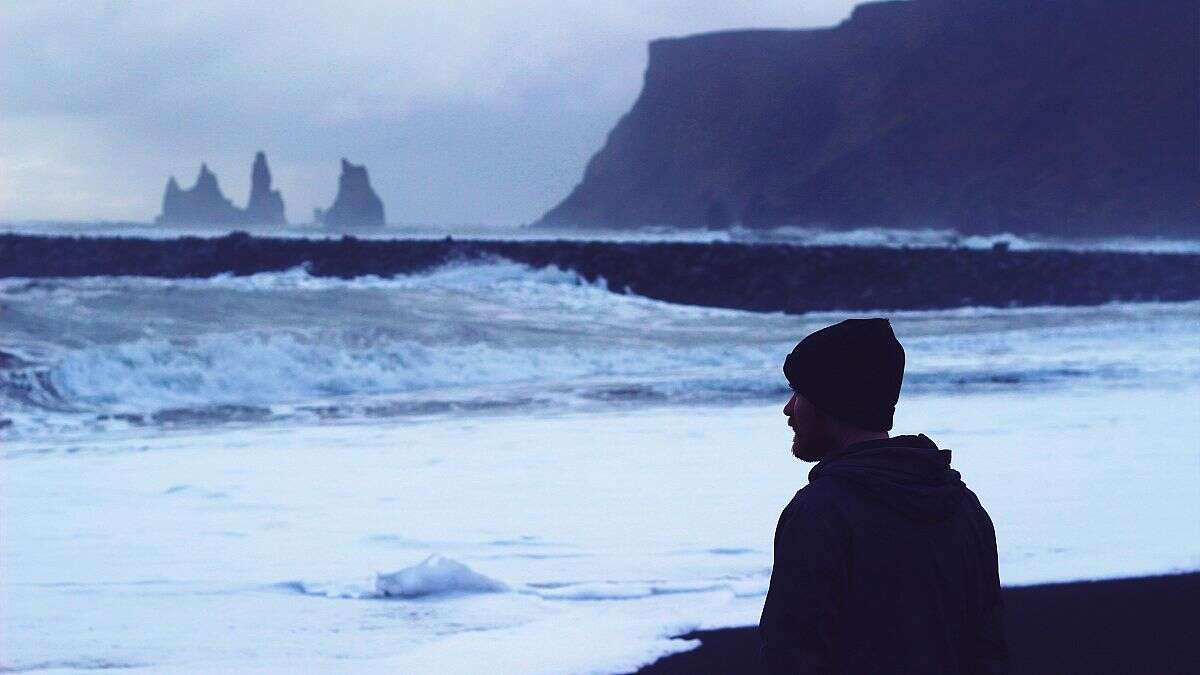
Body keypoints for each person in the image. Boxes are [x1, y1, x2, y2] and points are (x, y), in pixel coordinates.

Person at [759, 318, 1008, 674]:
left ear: (830, 405)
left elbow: (791, 657)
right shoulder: (962, 505)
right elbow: (990, 650)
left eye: (799, 393)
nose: (788, 409)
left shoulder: (820, 513)